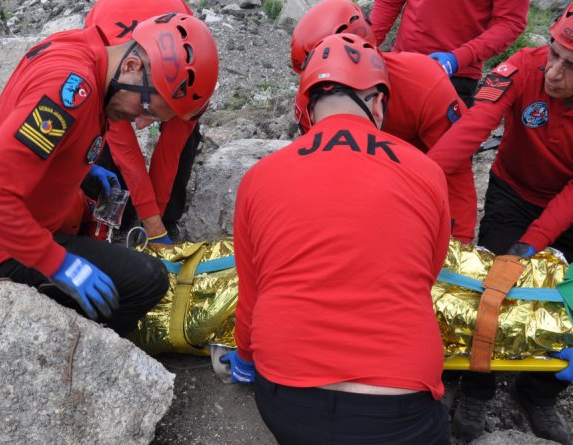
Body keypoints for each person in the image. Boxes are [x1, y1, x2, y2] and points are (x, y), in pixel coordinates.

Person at [222, 33, 452, 444]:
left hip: (287, 399)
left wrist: (244, 356)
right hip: (398, 405)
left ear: (307, 107)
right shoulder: (425, 170)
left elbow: (252, 292)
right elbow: (428, 272)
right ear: (379, 103)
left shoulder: (260, 177)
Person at [0, 13, 219, 336]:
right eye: (147, 108)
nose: (140, 123)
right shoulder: (68, 92)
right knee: (148, 281)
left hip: (3, 236)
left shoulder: (86, 55)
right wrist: (60, 264)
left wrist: (83, 169)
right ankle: (84, 355)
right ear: (132, 66)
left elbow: (39, 145)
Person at [426, 5, 573, 442]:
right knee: (490, 285)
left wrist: (534, 243)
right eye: (553, 52)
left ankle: (540, 392)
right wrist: (417, 184)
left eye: (570, 65)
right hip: (512, 190)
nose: (553, 72)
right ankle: (478, 384)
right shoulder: (521, 69)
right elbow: (472, 129)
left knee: (565, 298)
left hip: (565, 204)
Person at [290, 0, 477, 242]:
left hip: (421, 178)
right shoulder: (310, 101)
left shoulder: (424, 84)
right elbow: (324, 172)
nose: (331, 96)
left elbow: (455, 173)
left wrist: (459, 242)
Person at [84, 0, 206, 243]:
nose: (141, 125)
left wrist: (158, 220)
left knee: (185, 140)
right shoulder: (114, 69)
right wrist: (149, 221)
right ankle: (118, 222)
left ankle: (169, 218)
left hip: (166, 63)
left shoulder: (195, 81)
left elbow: (171, 149)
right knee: (102, 137)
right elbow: (127, 154)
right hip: (112, 37)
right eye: (147, 110)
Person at [370, 0, 529, 107]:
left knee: (441, 154)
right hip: (401, 66)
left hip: (455, 78)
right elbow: (389, 2)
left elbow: (510, 23)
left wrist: (458, 58)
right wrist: (368, 42)